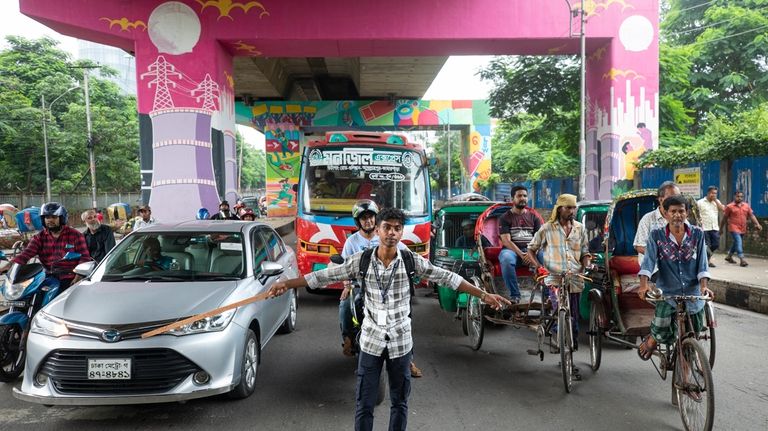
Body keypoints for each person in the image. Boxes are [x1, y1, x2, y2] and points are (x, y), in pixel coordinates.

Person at [268, 207, 510, 431]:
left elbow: (447, 277)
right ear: (377, 230)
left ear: (401, 232)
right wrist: (287, 284)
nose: (392, 233)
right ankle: (348, 339)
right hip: (371, 342)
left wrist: (484, 294)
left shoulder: (410, 260)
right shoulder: (360, 260)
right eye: (387, 227)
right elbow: (322, 276)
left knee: (400, 403)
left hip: (401, 343)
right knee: (364, 404)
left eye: (397, 228)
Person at [338, 201, 423, 377]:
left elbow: (409, 257)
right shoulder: (352, 242)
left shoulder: (386, 237)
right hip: (360, 286)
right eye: (364, 218)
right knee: (345, 304)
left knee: (405, 319)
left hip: (389, 289)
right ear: (358, 221)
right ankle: (347, 339)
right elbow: (344, 266)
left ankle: (408, 359)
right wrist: (346, 285)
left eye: (370, 217)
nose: (368, 221)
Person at [637, 195, 714, 360]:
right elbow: (648, 262)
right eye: (673, 211)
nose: (677, 215)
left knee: (695, 332)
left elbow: (702, 264)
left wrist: (704, 287)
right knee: (661, 331)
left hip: (693, 294)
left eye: (681, 211)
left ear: (687, 213)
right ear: (665, 213)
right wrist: (644, 285)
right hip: (667, 293)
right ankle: (652, 340)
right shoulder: (656, 236)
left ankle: (685, 373)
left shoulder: (697, 234)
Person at [526, 194, 591, 349]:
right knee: (559, 307)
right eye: (568, 207)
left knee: (574, 314)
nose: (572, 211)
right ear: (560, 208)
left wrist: (587, 264)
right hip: (553, 277)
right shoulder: (547, 228)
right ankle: (558, 335)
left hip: (575, 276)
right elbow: (531, 249)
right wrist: (538, 266)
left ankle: (571, 344)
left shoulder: (580, 229)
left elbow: (584, 252)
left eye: (574, 207)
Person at [12, 202, 91, 292]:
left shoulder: (76, 235)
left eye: (54, 217)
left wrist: (77, 278)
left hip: (69, 277)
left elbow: (84, 258)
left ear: (61, 218)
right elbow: (26, 253)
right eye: (47, 217)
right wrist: (9, 265)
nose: (50, 220)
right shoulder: (39, 237)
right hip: (47, 277)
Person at [498, 185, 544, 302]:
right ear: (513, 198)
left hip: (532, 251)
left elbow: (539, 239)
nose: (522, 198)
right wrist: (521, 254)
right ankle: (515, 295)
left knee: (547, 257)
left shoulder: (534, 217)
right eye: (519, 196)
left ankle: (548, 295)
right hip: (512, 251)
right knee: (506, 259)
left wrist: (530, 253)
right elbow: (506, 241)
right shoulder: (505, 218)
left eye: (524, 196)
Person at [633, 181, 680, 265]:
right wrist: (661, 255)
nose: (676, 201)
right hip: (654, 268)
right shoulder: (648, 219)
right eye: (672, 197)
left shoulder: (681, 218)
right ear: (660, 199)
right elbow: (639, 246)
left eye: (678, 197)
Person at [720, 190, 763, 267]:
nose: (739, 198)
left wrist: (757, 224)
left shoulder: (746, 206)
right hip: (733, 227)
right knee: (739, 242)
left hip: (742, 228)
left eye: (741, 196)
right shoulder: (729, 206)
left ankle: (729, 256)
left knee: (736, 242)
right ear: (734, 197)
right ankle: (742, 259)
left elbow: (752, 216)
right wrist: (721, 229)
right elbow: (724, 218)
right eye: (738, 196)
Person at [697, 186, 725, 267]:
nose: (714, 195)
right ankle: (707, 261)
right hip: (704, 228)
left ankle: (705, 258)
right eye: (712, 193)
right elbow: (695, 214)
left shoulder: (716, 202)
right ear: (708, 193)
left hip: (714, 227)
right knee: (707, 246)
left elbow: (723, 209)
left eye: (715, 193)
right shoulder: (700, 202)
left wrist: (715, 200)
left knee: (716, 244)